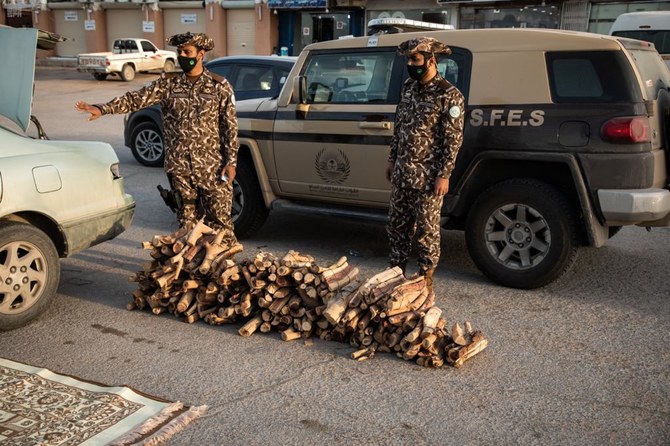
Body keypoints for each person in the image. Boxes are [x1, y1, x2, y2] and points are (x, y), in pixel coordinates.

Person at [75, 32, 239, 246]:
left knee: (220, 225)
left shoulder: (219, 86)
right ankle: (190, 272)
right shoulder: (168, 84)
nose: (182, 56)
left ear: (201, 54)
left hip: (212, 167)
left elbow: (230, 127)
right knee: (187, 227)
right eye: (179, 52)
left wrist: (231, 162)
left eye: (187, 52)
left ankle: (222, 271)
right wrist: (102, 108)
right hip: (179, 168)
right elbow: (135, 99)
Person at [385, 37, 465, 292]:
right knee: (397, 226)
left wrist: (445, 175)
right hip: (402, 174)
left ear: (431, 61)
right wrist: (392, 158)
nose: (411, 64)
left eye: (415, 60)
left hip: (428, 179)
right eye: (409, 59)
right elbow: (400, 128)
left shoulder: (449, 95)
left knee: (427, 232)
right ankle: (394, 277)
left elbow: (453, 139)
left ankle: (424, 280)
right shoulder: (408, 88)